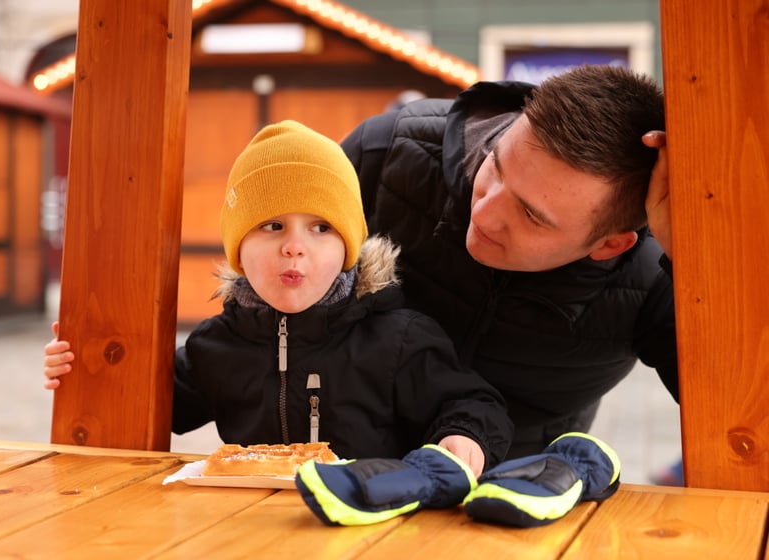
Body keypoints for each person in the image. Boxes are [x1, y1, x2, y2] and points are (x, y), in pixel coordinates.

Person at [43, 120, 513, 475]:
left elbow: (472, 403)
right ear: (238, 249)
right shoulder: (216, 346)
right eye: (272, 226)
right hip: (253, 530)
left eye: (321, 228)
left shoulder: (397, 338)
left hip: (371, 528)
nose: (294, 245)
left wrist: (463, 436)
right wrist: (88, 368)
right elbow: (149, 402)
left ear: (348, 247)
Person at [340, 64, 676, 458]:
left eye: (531, 215)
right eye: (495, 166)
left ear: (609, 246)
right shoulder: (385, 152)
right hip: (341, 464)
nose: (484, 212)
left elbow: (737, 413)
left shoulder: (653, 274)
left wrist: (689, 262)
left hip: (512, 492)